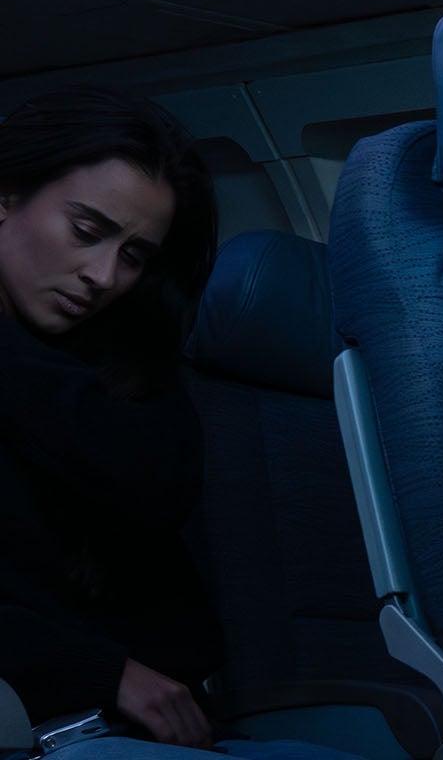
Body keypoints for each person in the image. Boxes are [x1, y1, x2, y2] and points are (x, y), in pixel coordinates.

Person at [0, 86, 358, 759]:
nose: (104, 276)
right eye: (86, 231)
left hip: (167, 725)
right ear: (6, 196)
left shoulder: (120, 363)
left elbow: (152, 491)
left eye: (134, 255)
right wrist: (100, 673)